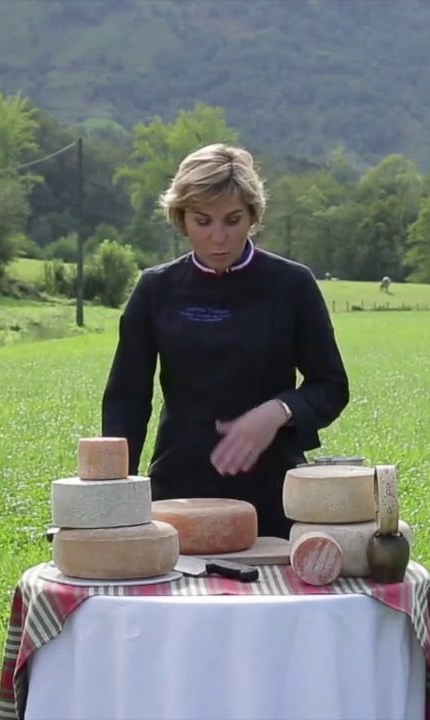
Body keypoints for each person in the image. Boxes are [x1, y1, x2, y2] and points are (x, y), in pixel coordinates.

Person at [100, 143, 350, 539]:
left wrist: (278, 410)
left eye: (233, 220)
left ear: (253, 215)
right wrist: (114, 490)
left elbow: (331, 387)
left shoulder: (292, 285)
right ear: (181, 218)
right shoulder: (155, 290)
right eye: (203, 221)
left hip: (275, 498)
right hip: (177, 495)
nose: (219, 238)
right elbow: (127, 400)